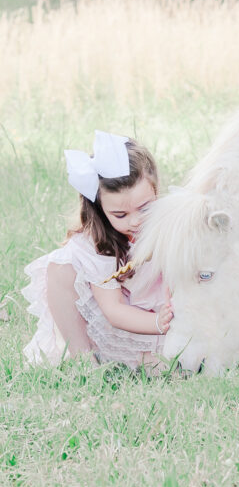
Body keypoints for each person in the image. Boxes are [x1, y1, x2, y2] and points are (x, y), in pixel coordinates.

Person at [23, 131, 173, 367]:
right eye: (120, 215)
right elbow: (113, 310)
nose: (135, 221)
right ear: (100, 209)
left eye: (144, 208)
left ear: (155, 191)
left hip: (169, 318)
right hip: (121, 325)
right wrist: (158, 323)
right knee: (61, 267)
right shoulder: (99, 246)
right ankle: (85, 361)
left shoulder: (171, 223)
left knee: (175, 363)